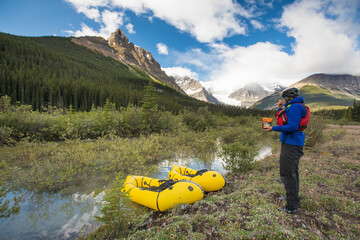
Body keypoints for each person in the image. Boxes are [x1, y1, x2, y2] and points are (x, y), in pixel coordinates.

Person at [264, 87, 307, 214]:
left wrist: (273, 129)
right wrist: (279, 108)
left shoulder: (294, 107)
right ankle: (293, 199)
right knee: (293, 172)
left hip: (291, 143)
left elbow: (292, 126)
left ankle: (291, 206)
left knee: (287, 173)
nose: (283, 100)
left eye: (284, 98)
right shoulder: (295, 106)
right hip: (293, 142)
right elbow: (284, 119)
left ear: (288, 97)